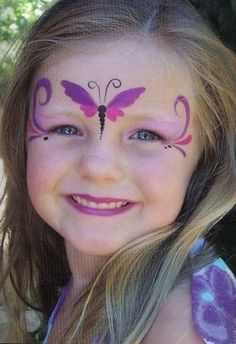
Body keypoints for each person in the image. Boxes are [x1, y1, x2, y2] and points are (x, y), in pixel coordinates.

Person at [0, 0, 235, 343]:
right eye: (65, 128)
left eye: (147, 135)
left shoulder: (180, 329)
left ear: (204, 155)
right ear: (22, 134)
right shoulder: (88, 281)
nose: (98, 166)